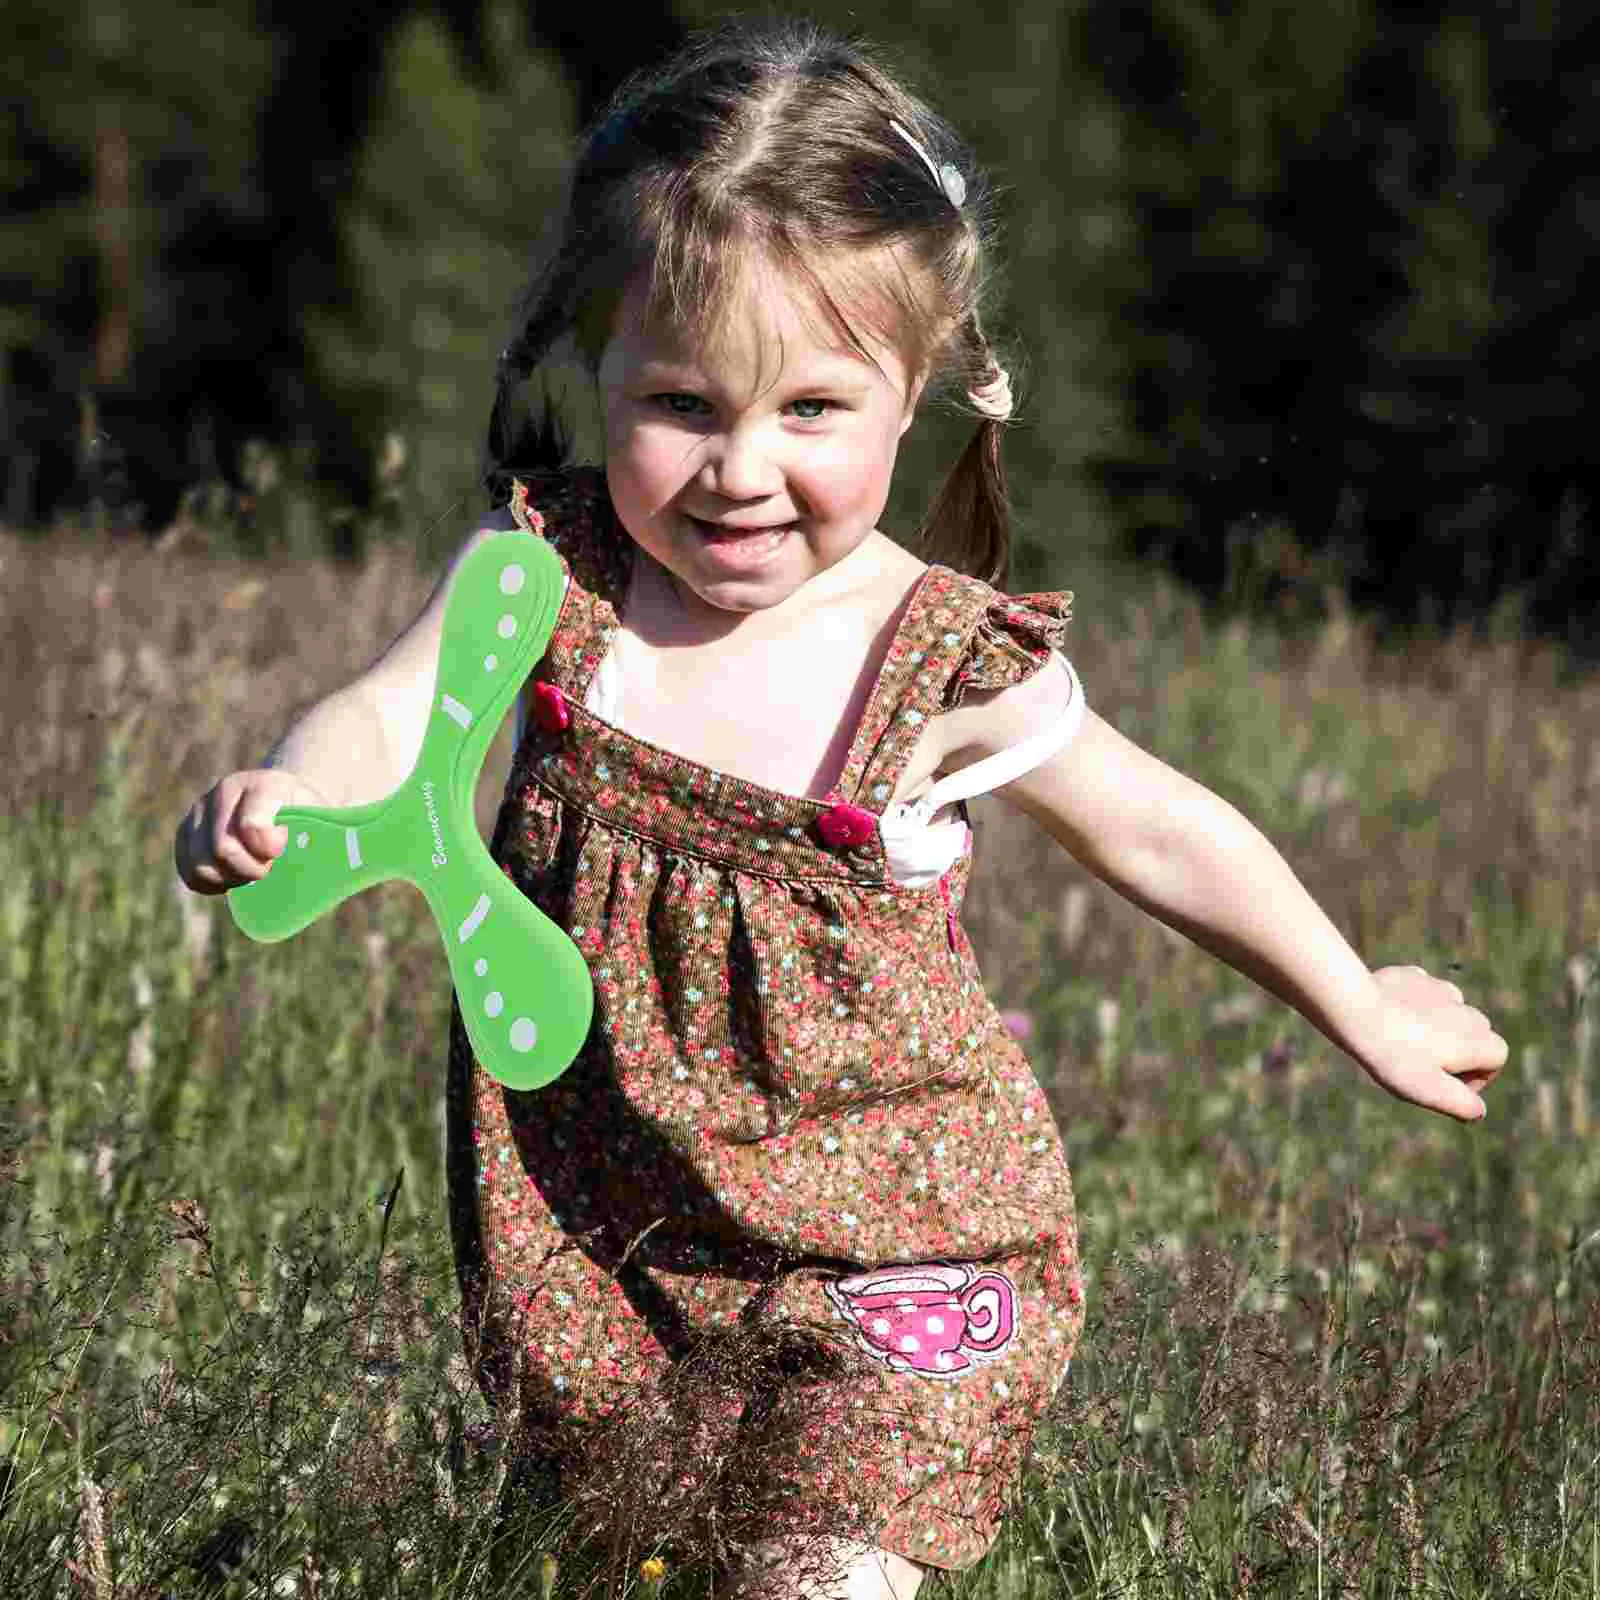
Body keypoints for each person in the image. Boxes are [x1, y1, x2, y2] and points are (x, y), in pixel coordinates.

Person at [173, 16, 1507, 1597]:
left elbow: (1155, 825)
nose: (740, 468)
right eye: (681, 402)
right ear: (593, 358)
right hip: (616, 1241)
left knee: (821, 1575)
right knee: (627, 1556)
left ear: (917, 387)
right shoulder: (546, 586)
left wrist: (1355, 999)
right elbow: (390, 718)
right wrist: (290, 791)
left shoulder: (937, 658)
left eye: (809, 410)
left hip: (908, 1245)